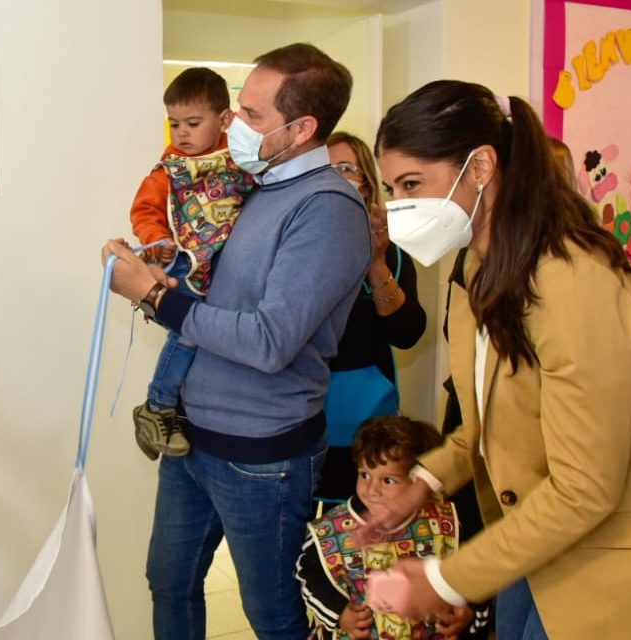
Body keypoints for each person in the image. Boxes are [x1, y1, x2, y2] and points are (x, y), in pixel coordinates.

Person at [360, 80, 631, 639]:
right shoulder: (476, 273)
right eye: (393, 188)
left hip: (620, 568)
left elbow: (586, 486)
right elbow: (498, 423)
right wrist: (425, 480)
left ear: (481, 166)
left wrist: (445, 579)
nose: (398, 207)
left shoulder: (575, 281)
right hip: (538, 549)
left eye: (413, 184)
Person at [105, 42, 367, 640]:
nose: (235, 126)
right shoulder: (251, 188)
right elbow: (216, 302)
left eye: (252, 116)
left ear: (301, 129)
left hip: (262, 456)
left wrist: (154, 297)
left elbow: (269, 341)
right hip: (192, 441)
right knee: (168, 582)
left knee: (272, 617)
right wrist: (157, 271)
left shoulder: (327, 208)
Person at [128, 67, 255, 460]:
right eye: (174, 124)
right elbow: (145, 211)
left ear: (224, 119)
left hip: (228, 270)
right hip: (188, 266)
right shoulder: (169, 170)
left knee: (218, 340)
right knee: (188, 334)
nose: (181, 133)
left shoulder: (241, 162)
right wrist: (156, 240)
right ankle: (158, 405)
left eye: (193, 123)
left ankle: (188, 406)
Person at [314, 131, 425, 508]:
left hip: (366, 429)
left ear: (366, 184)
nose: (335, 177)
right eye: (324, 169)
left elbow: (407, 333)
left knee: (367, 538)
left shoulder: (390, 256)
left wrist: (375, 266)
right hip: (301, 424)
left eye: (346, 168)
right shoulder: (294, 252)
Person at [297, 416, 475, 640]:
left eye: (388, 480)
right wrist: (339, 612)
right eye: (364, 475)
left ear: (420, 481)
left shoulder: (448, 523)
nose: (372, 490)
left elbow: (469, 576)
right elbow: (307, 573)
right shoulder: (329, 531)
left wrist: (466, 611)